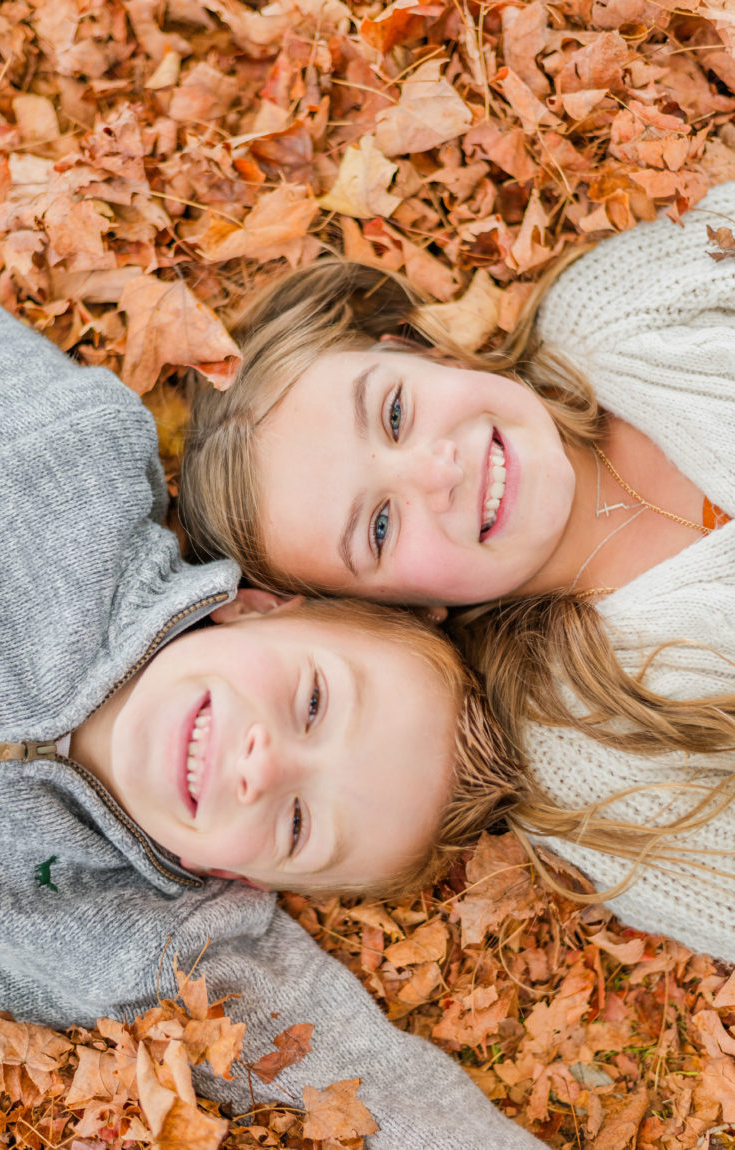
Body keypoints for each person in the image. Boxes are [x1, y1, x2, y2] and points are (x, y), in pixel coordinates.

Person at [0, 267, 548, 1150]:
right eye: (312, 701)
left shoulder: (164, 945)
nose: (263, 764)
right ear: (258, 605)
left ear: (252, 882)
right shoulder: (73, 464)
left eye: (298, 823)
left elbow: (381, 1089)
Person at [181, 179, 735, 963]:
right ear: (398, 611)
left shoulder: (614, 316)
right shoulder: (583, 745)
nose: (436, 473)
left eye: (395, 413)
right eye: (378, 526)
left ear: (417, 353)